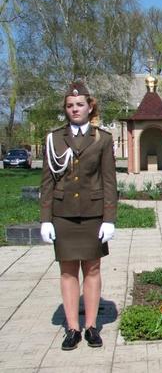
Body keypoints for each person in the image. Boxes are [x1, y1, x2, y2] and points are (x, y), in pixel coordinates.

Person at [39, 81, 117, 350]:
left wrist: (109, 218)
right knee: (68, 270)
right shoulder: (54, 139)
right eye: (70, 105)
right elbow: (47, 182)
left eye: (80, 104)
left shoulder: (102, 138)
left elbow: (109, 181)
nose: (75, 109)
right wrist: (45, 219)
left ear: (89, 107)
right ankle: (73, 328)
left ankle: (92, 326)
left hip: (93, 214)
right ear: (66, 109)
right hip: (63, 215)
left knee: (92, 269)